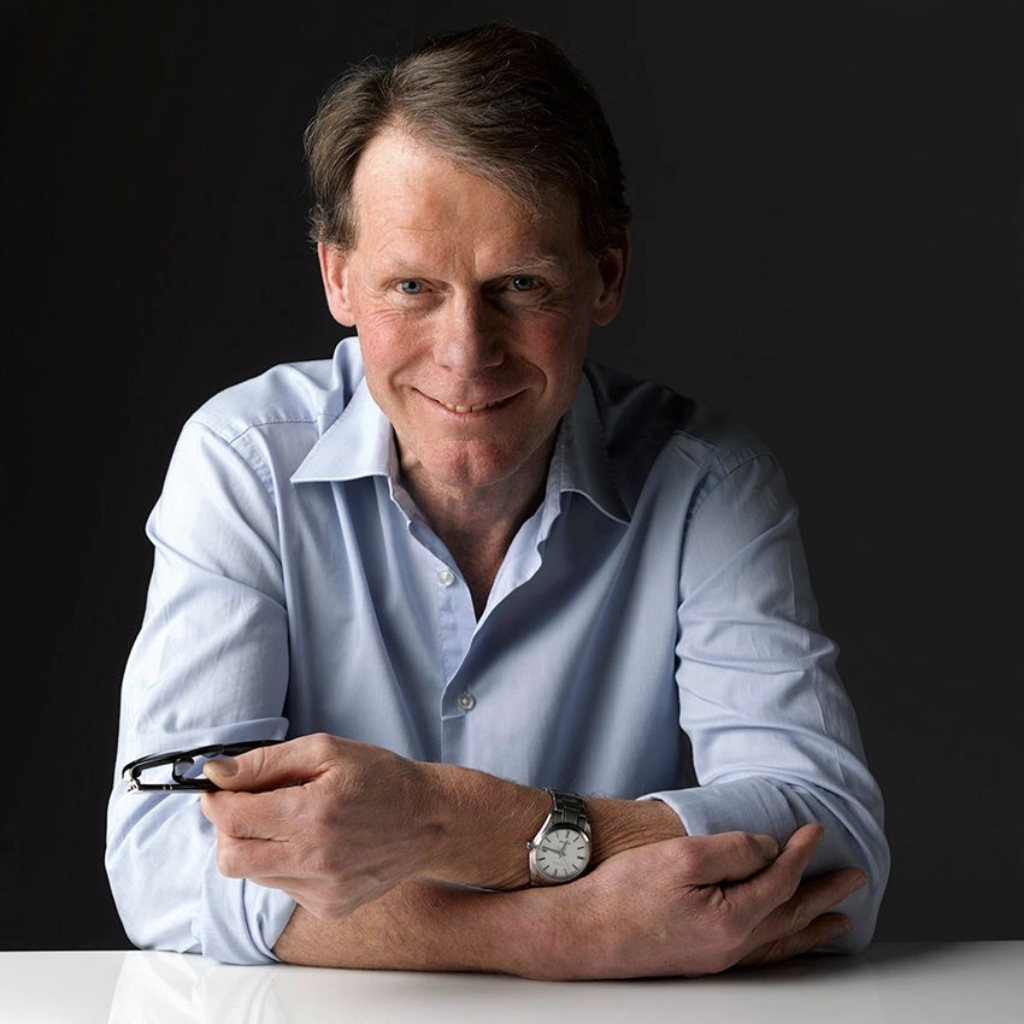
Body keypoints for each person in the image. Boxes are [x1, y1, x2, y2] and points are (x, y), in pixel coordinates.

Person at [105, 23, 889, 979]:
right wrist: (554, 934)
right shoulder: (243, 462)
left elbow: (836, 850)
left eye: (520, 284)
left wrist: (461, 823)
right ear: (338, 278)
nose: (465, 353)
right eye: (412, 287)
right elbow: (162, 860)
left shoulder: (708, 483)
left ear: (606, 275)